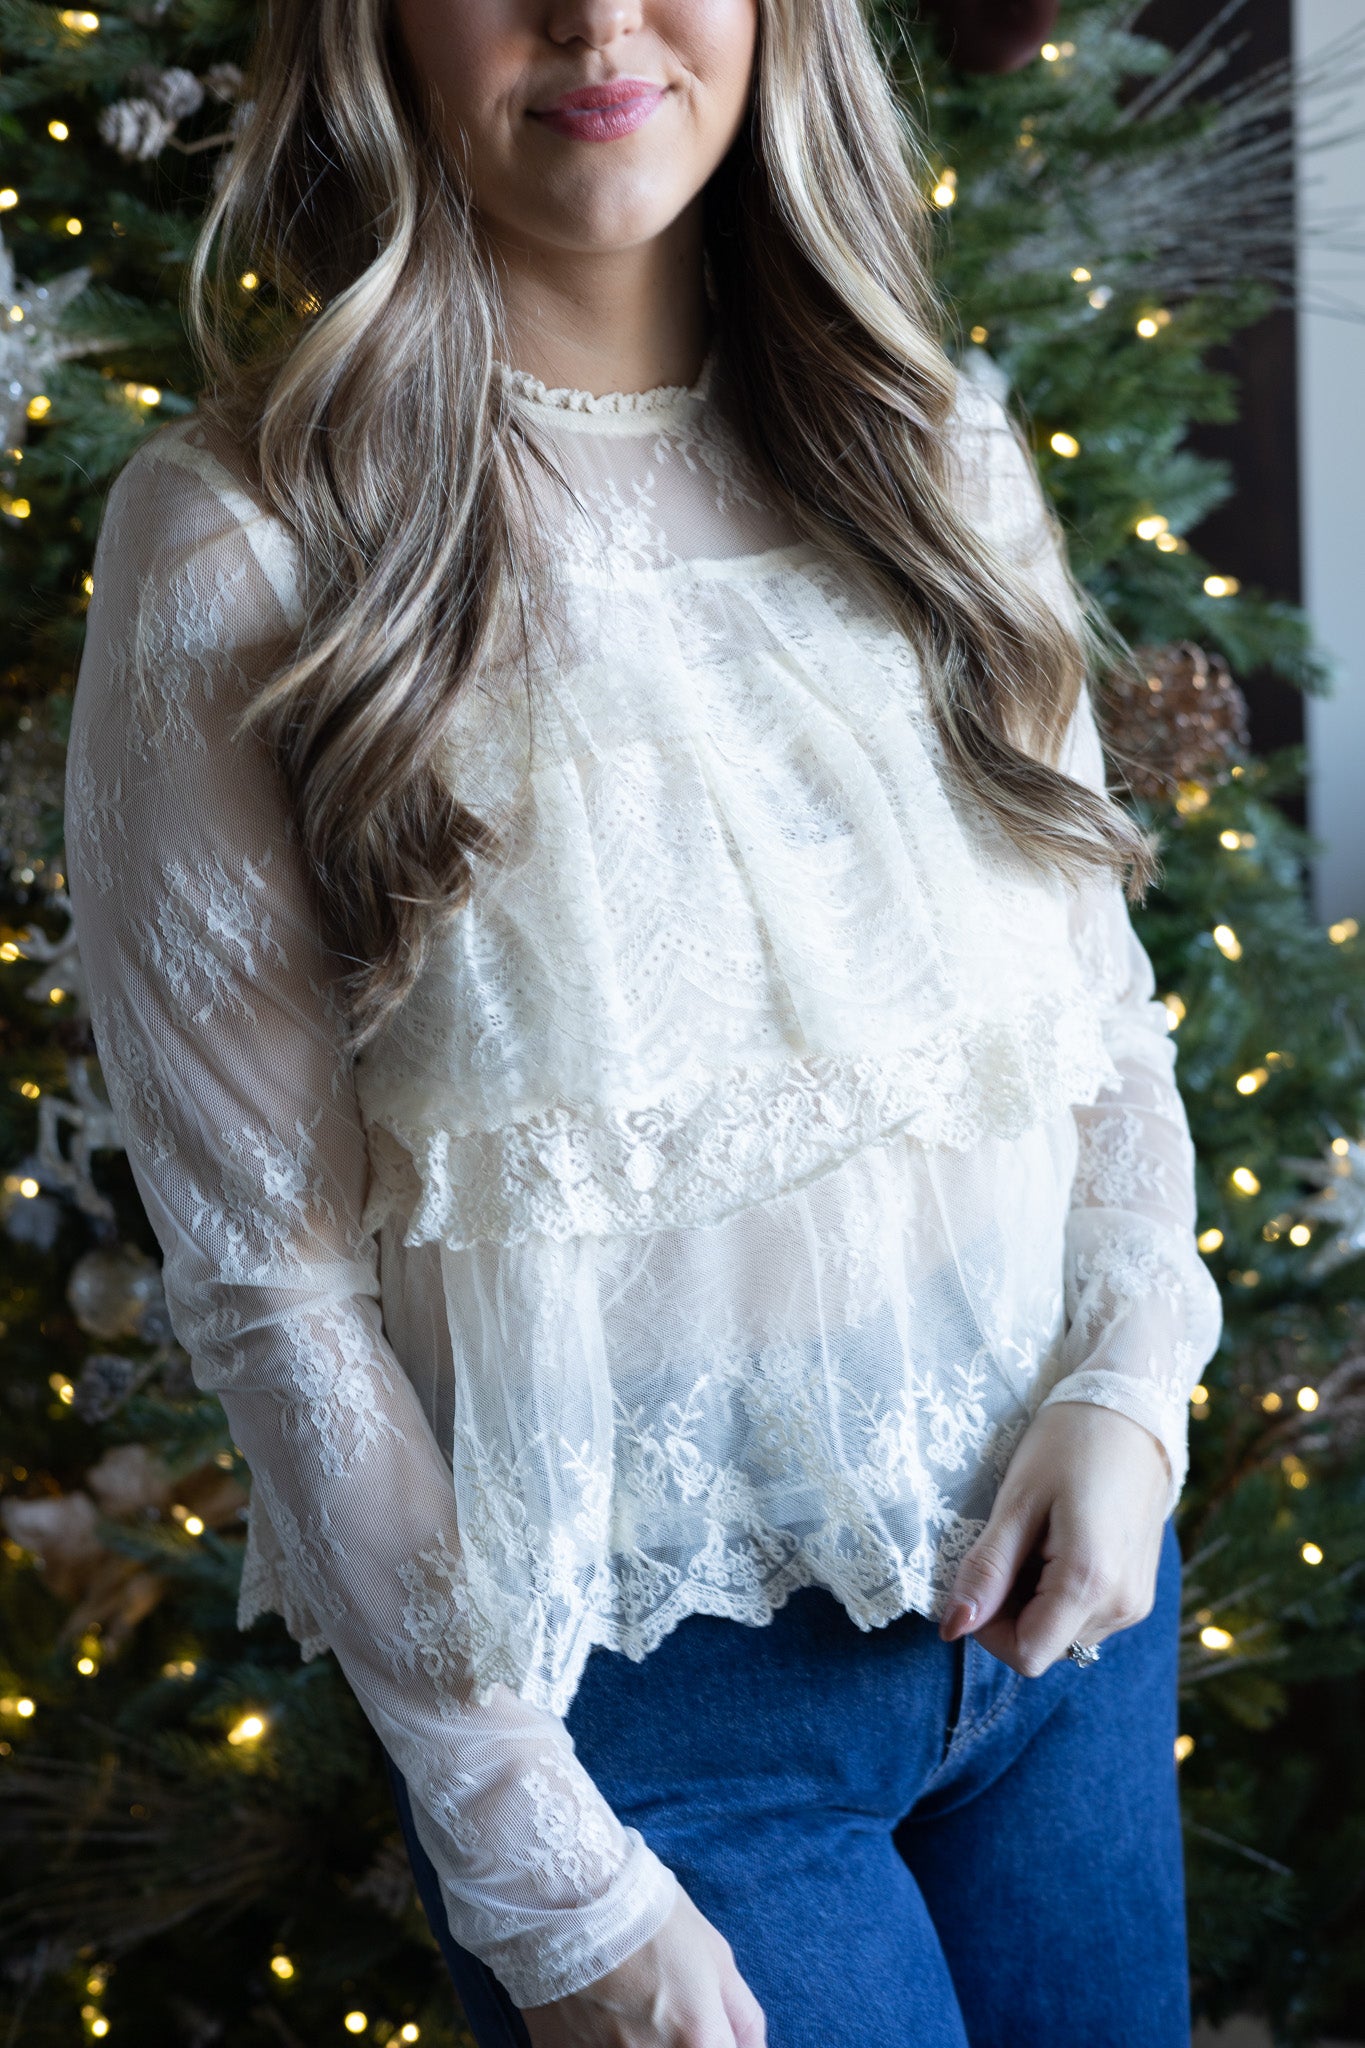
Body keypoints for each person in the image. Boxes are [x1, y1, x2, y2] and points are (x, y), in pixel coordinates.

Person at [63, 0, 1224, 2043]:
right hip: (651, 1745)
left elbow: (1097, 1035)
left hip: (1056, 1630)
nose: (598, 19)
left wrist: (1128, 1383)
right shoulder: (243, 545)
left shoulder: (932, 450)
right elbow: (274, 1288)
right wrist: (540, 1866)